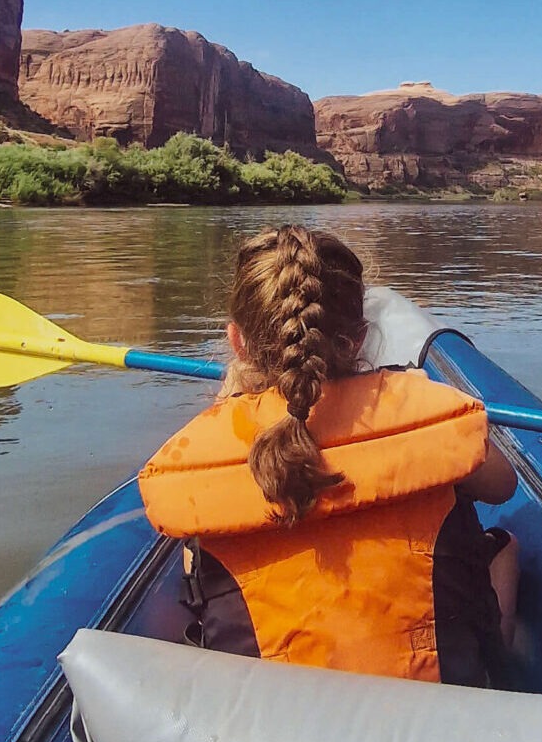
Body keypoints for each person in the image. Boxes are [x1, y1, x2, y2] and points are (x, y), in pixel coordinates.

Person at [139, 224, 519, 684]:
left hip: (271, 737)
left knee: (195, 560)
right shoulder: (425, 413)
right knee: (504, 547)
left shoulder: (201, 456)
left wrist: (232, 403)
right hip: (432, 714)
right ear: (359, 340)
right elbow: (504, 485)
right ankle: (503, 679)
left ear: (236, 342)